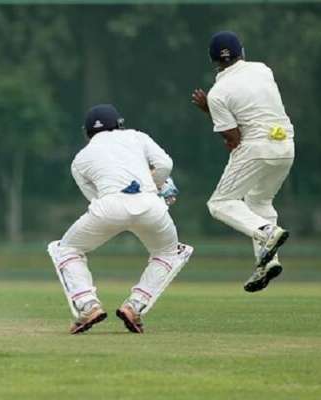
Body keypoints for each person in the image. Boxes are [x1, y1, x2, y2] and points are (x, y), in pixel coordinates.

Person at [47, 104, 193, 334]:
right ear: (120, 124)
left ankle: (87, 305)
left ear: (87, 133)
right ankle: (135, 306)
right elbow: (165, 165)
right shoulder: (137, 136)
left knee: (66, 250)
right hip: (151, 205)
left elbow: (93, 197)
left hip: (108, 206)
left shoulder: (80, 159)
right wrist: (156, 188)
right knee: (168, 253)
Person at [191, 31, 294, 292]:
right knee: (259, 201)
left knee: (220, 203)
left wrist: (209, 109)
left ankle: (266, 232)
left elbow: (234, 138)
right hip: (285, 146)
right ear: (242, 52)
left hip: (256, 148)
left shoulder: (217, 93)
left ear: (213, 59)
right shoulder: (262, 69)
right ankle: (268, 262)